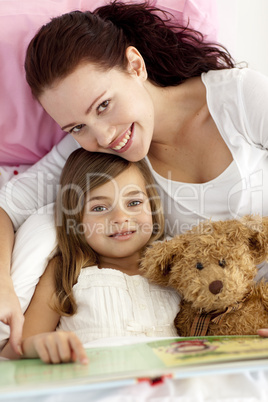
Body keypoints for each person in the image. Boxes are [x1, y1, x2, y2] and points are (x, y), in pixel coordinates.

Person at [0, 1, 268, 354]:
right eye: (77, 126)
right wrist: (2, 283)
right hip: (209, 342)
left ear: (135, 65)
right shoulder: (92, 152)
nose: (104, 137)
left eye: (104, 105)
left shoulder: (237, 96)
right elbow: (6, 206)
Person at [0, 148, 181, 363]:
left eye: (134, 203)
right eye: (99, 207)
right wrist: (40, 345)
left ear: (151, 206)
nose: (121, 217)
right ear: (76, 220)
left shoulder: (175, 268)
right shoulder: (66, 272)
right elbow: (15, 350)